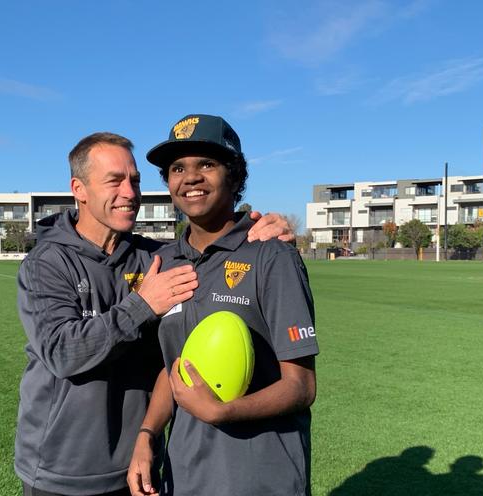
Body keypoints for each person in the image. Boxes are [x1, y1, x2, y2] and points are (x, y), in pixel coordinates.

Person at [15, 132, 294, 496]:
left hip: (140, 465)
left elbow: (209, 248)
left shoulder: (157, 258)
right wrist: (142, 305)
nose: (130, 193)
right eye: (114, 180)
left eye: (135, 180)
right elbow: (62, 353)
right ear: (79, 189)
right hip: (64, 471)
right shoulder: (48, 263)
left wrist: (263, 227)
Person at [127, 115, 318, 496]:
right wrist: (147, 434)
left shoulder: (271, 255)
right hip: (184, 475)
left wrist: (222, 411)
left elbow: (302, 385)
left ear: (234, 175)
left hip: (260, 478)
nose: (191, 177)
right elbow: (176, 369)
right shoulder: (165, 262)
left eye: (207, 164)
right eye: (177, 168)